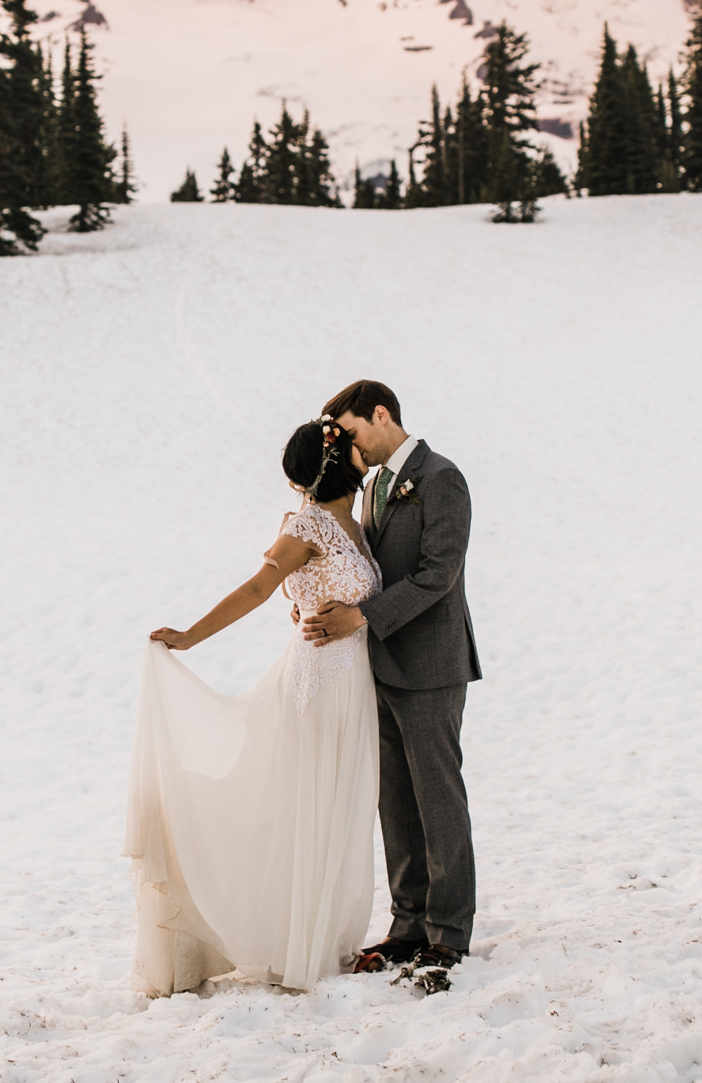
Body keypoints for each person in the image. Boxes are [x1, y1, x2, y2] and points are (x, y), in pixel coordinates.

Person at [126, 418, 384, 995]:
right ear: (339, 459)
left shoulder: (357, 518)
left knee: (340, 807)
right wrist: (191, 636)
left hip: (354, 683)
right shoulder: (307, 523)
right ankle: (297, 945)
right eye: (354, 446)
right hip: (318, 684)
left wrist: (308, 599)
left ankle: (321, 935)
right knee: (309, 806)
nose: (365, 451)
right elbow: (258, 587)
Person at [303, 379, 479, 994]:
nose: (350, 447)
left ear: (381, 415)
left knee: (438, 798)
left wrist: (363, 618)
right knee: (396, 803)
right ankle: (407, 923)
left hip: (431, 664)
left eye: (351, 433)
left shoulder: (442, 478)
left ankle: (448, 932)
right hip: (379, 665)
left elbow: (439, 573)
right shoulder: (375, 485)